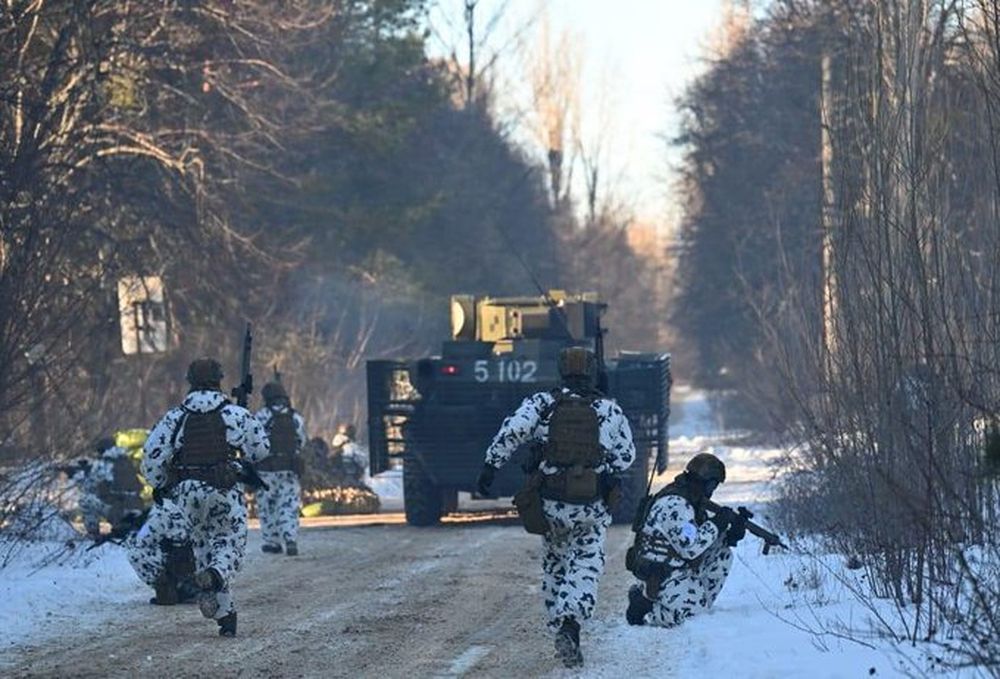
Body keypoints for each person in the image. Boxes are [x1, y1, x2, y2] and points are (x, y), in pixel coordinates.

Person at [476, 346, 636, 669]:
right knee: (586, 563)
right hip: (590, 506)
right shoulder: (609, 409)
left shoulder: (542, 403)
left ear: (561, 371)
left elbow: (513, 431)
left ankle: (558, 623)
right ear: (592, 372)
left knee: (555, 564)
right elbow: (625, 458)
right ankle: (570, 624)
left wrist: (491, 466)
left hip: (550, 504)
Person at [142, 357, 269, 637]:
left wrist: (162, 483)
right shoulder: (234, 413)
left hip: (186, 492)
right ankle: (215, 577)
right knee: (229, 544)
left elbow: (151, 458)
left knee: (203, 547)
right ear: (218, 380)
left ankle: (225, 615)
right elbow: (260, 450)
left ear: (190, 381)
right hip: (224, 490)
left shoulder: (175, 417)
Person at [625, 452, 747, 628]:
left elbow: (699, 537)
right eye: (713, 485)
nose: (712, 491)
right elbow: (690, 548)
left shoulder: (690, 499)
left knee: (723, 555)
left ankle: (694, 601)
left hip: (674, 565)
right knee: (689, 618)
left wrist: (729, 536)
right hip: (660, 573)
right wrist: (717, 523)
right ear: (707, 483)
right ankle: (647, 608)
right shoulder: (676, 504)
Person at [254, 381, 306, 556]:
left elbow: (254, 442)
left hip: (265, 470)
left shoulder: (261, 416)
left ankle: (272, 542)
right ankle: (290, 538)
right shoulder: (295, 417)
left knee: (267, 506)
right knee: (288, 505)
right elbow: (301, 442)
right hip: (289, 468)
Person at [76, 437, 145, 538]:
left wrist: (82, 474)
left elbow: (90, 485)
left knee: (85, 500)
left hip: (120, 510)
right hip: (136, 506)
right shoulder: (125, 460)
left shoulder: (105, 464)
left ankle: (93, 533)